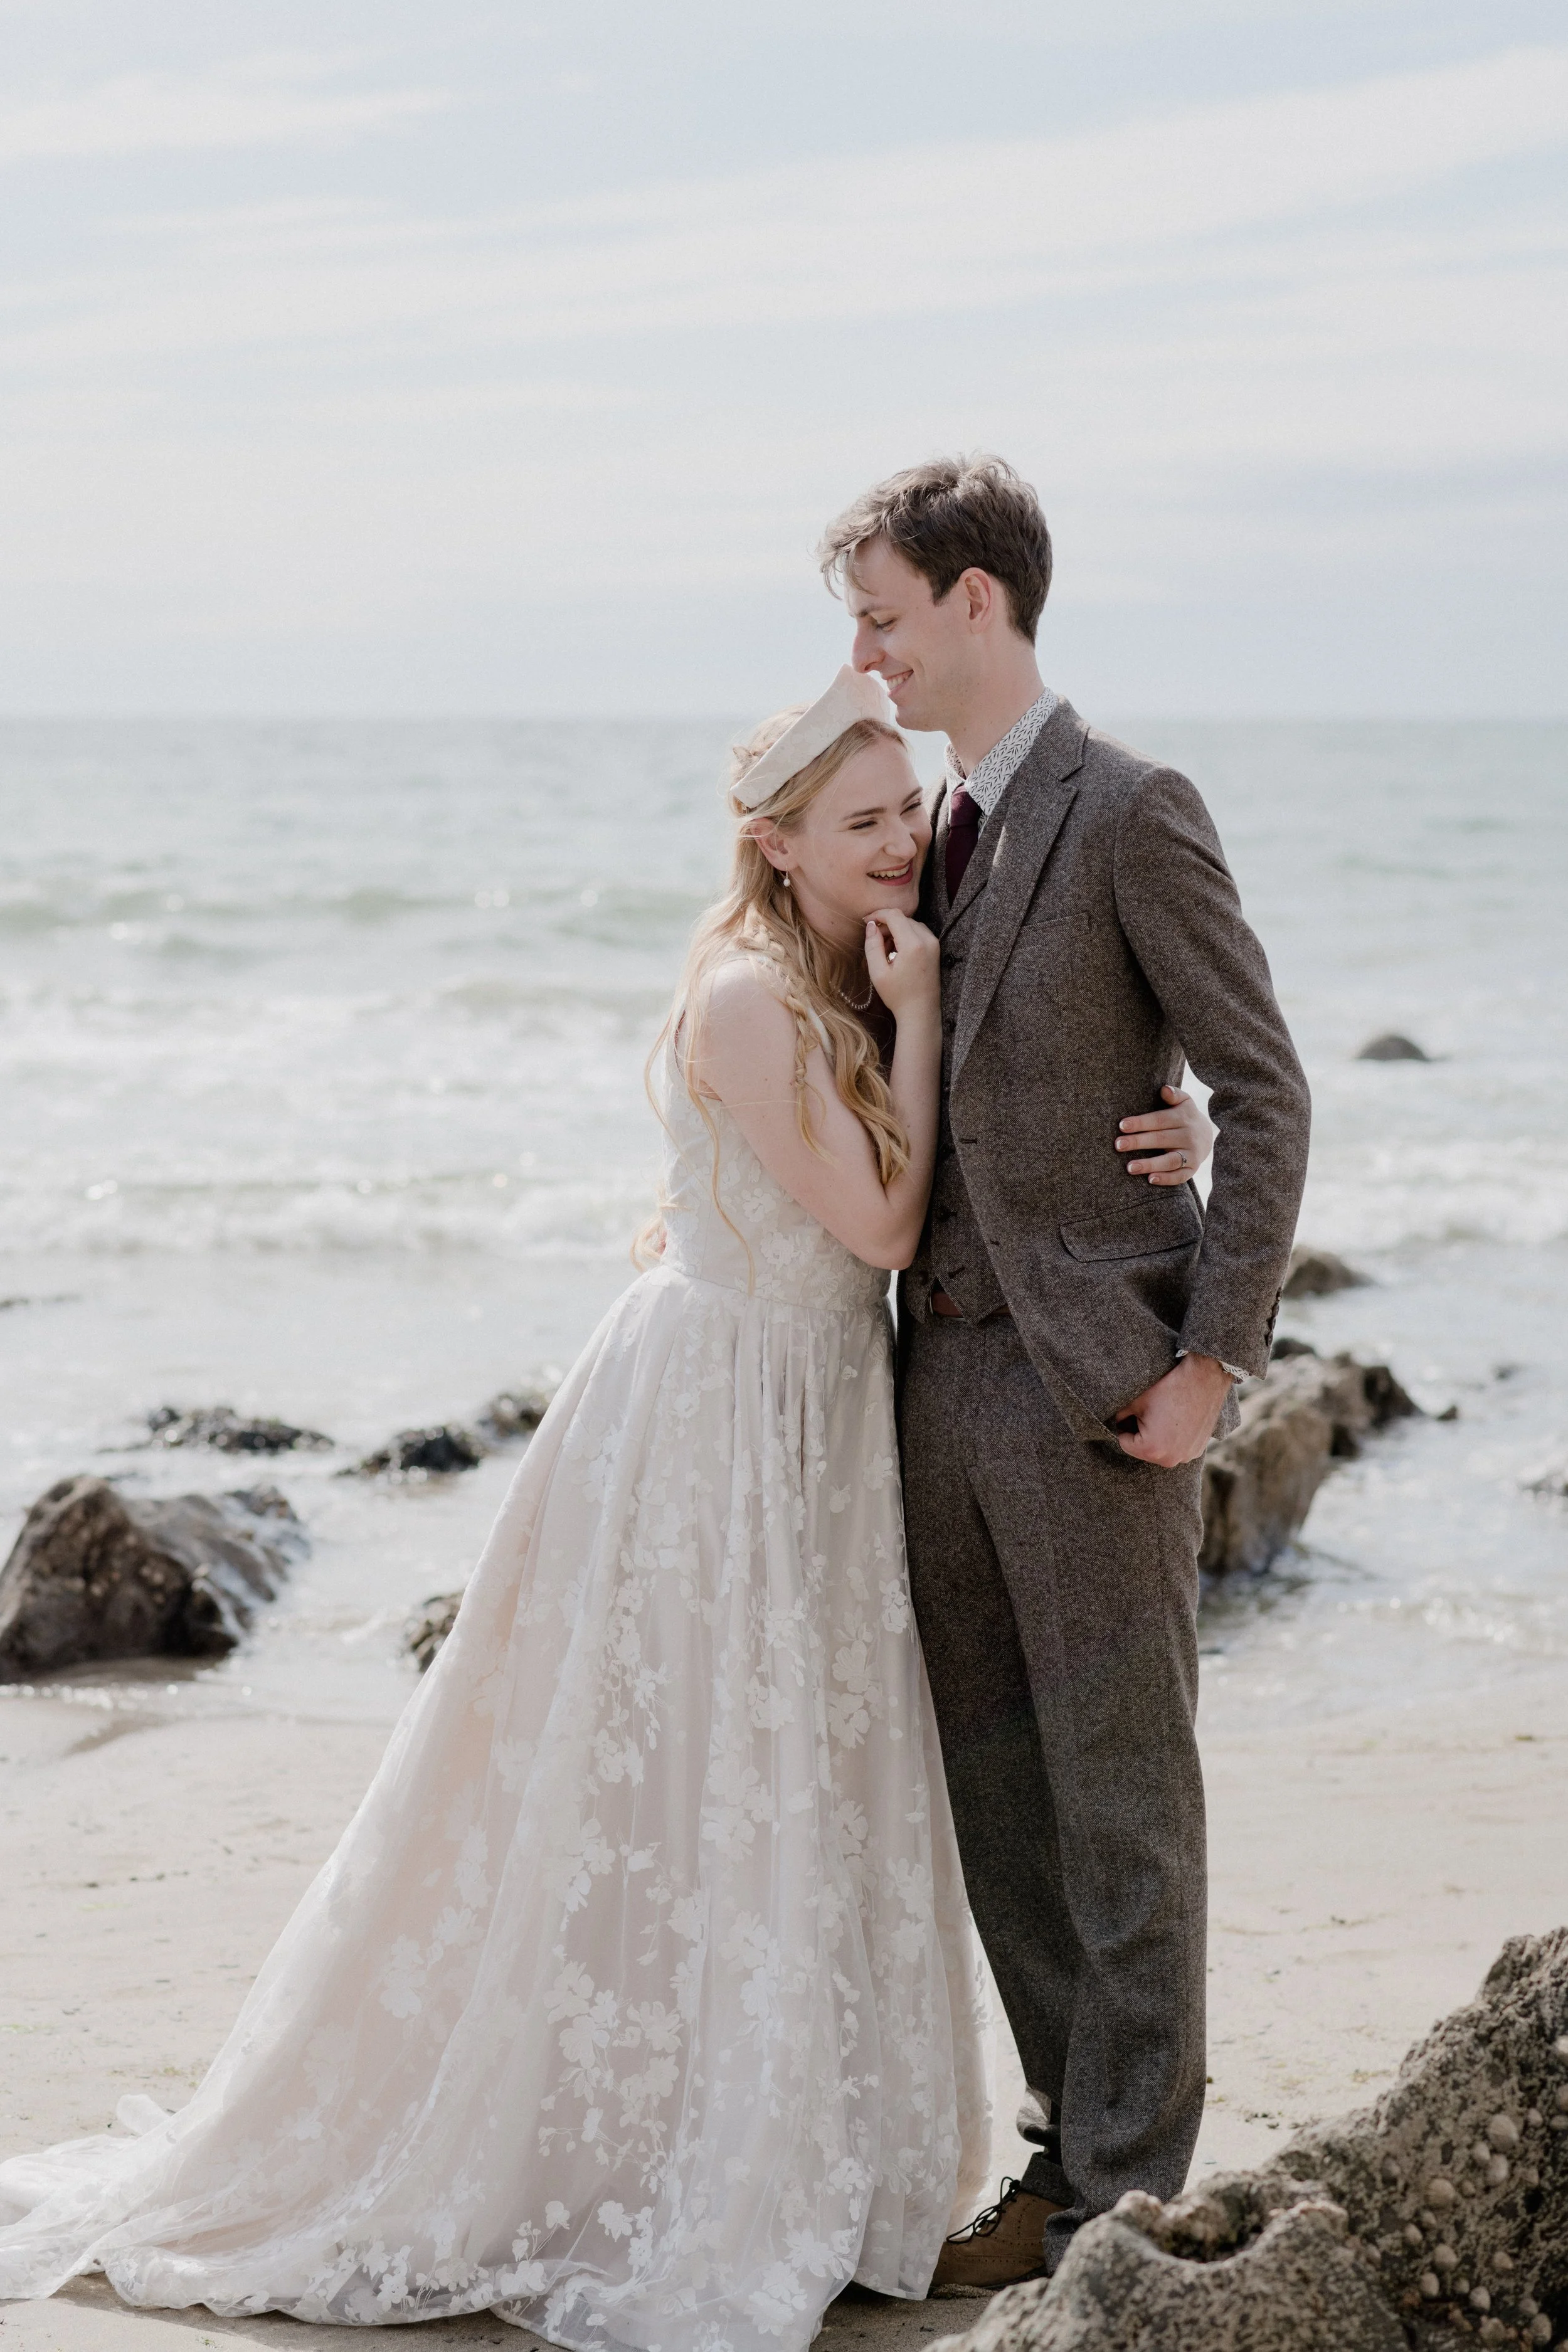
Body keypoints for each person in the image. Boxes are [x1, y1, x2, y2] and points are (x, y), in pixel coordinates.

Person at [0, 672, 1217, 2349]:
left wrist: (1172, 1117)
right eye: (856, 822)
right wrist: (922, 1015)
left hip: (812, 1408)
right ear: (773, 844)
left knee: (788, 1769)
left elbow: (1011, 1095)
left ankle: (819, 2131)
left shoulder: (850, 957)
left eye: (901, 813)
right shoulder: (747, 995)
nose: (897, 841)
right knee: (668, 1768)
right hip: (717, 1415)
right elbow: (878, 1224)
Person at [817, 454, 1313, 2284]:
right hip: (929, 1384)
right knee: (999, 1801)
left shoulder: (1127, 807)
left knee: (1123, 1798)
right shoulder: (920, 832)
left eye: (880, 613)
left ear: (972, 599)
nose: (863, 651)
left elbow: (1261, 1093)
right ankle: (1057, 2156)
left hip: (1097, 1393)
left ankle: (1124, 2193)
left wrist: (1211, 1364)